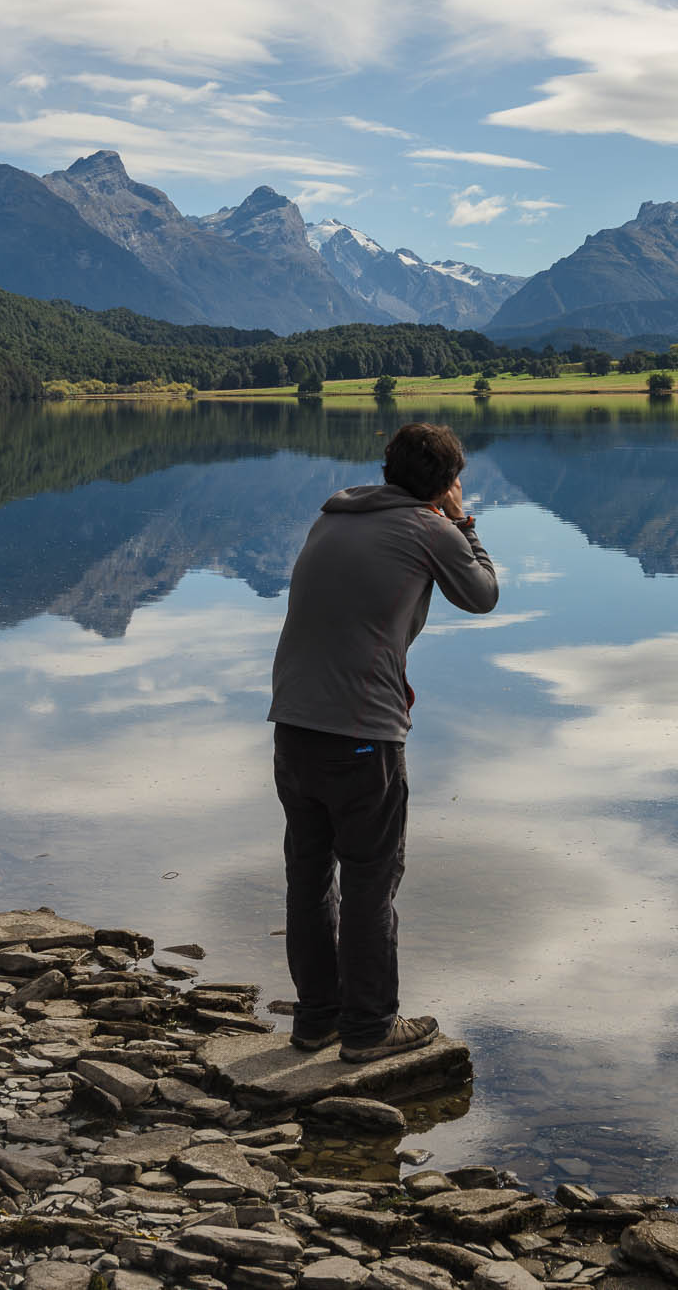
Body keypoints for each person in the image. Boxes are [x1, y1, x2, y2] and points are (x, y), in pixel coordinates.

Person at [266, 421, 497, 1063]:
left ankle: (315, 1020)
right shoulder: (431, 529)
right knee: (371, 877)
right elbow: (482, 595)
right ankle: (369, 1028)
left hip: (293, 726)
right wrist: (463, 522)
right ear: (449, 482)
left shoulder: (332, 518)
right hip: (360, 733)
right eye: (457, 482)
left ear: (387, 467)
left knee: (309, 875)